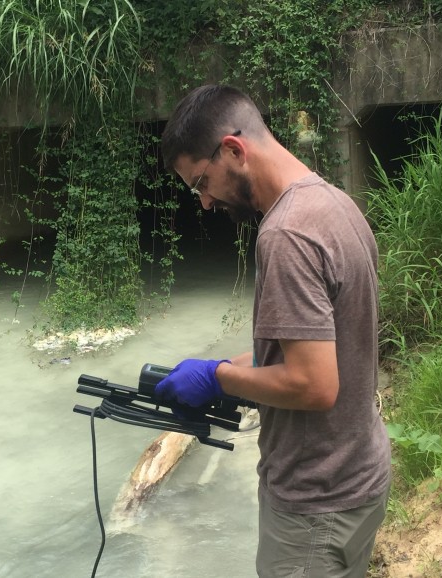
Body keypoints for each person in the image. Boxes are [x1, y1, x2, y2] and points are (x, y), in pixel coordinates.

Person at [155, 85, 391, 578]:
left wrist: (218, 378)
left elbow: (312, 385)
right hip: (359, 476)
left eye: (202, 181)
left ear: (234, 150)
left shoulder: (286, 234)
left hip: (314, 507)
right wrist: (227, 367)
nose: (203, 201)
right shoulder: (334, 203)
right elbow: (327, 348)